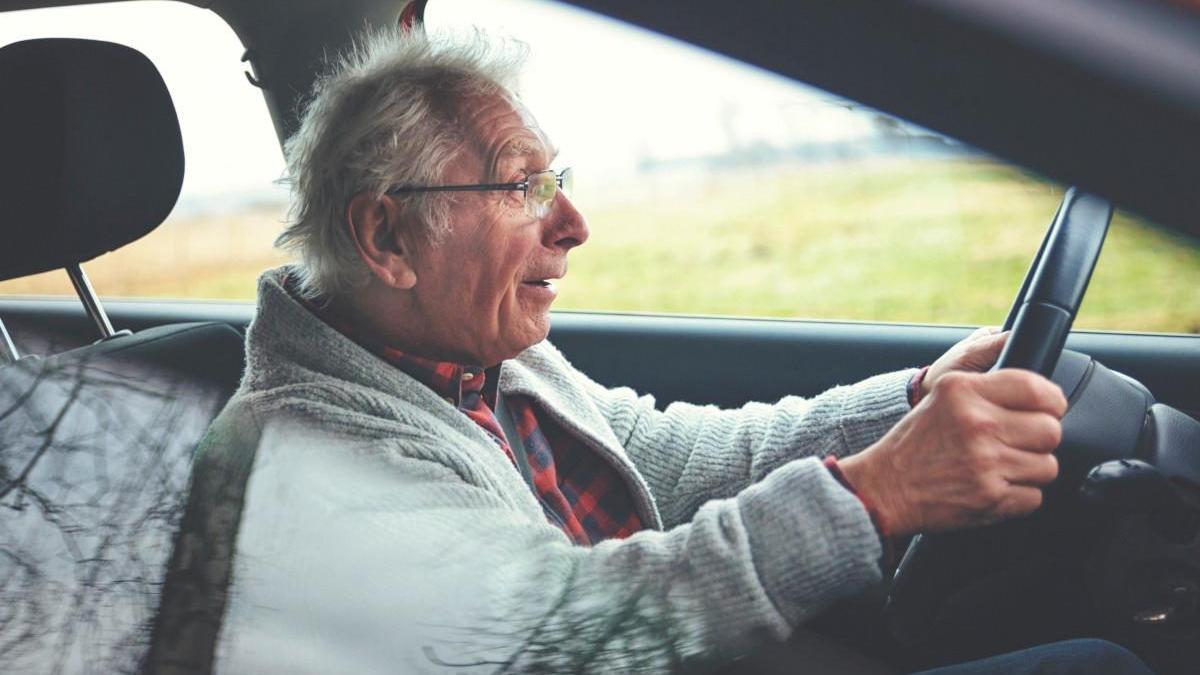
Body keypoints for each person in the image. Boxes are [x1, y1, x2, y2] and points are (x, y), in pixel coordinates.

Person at [159, 29, 1153, 674]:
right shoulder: (311, 460)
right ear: (385, 238)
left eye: (560, 183)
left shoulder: (471, 355)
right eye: (523, 189)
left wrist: (912, 396)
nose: (575, 225)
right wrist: (873, 497)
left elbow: (676, 461)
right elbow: (570, 629)